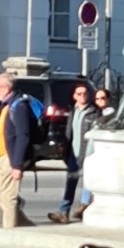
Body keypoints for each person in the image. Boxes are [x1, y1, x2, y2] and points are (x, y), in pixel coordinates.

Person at [0, 68, 34, 231]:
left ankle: (9, 233)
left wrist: (17, 165)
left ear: (5, 88)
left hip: (12, 156)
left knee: (8, 197)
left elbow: (23, 135)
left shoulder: (18, 106)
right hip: (2, 157)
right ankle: (26, 226)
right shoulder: (7, 105)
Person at [51, 79, 95, 223]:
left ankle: (85, 209)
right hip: (73, 154)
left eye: (85, 93)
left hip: (88, 155)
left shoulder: (93, 113)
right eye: (79, 94)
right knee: (70, 183)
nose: (83, 96)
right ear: (74, 96)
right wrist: (65, 150)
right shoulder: (73, 111)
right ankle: (64, 212)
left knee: (88, 183)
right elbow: (70, 133)